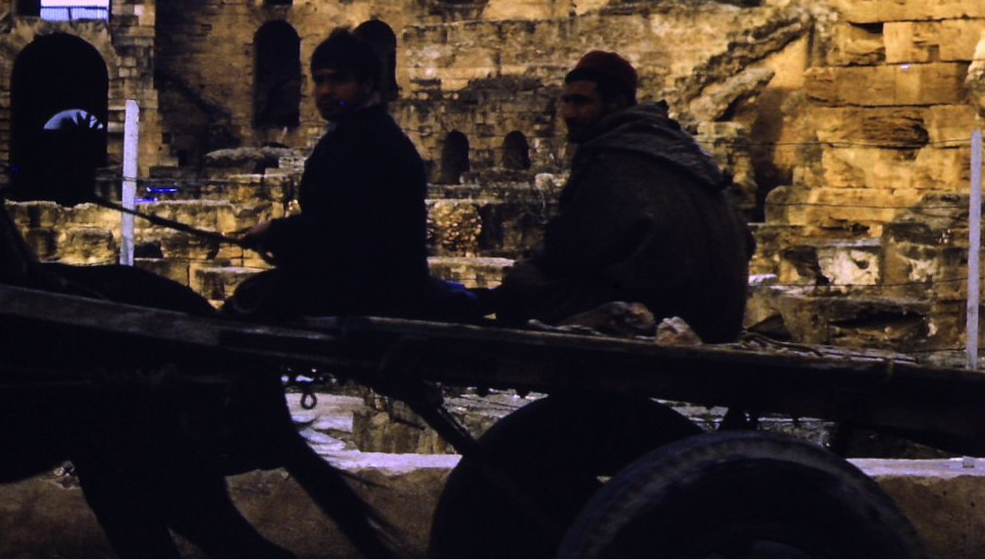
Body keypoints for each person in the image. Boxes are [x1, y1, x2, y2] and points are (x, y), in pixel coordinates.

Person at [482, 51, 754, 342]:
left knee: (522, 284)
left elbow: (566, 250)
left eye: (581, 102)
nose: (569, 114)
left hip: (668, 311)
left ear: (617, 104)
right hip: (722, 317)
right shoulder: (683, 147)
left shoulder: (611, 155)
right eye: (566, 101)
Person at [225, 28, 435, 320]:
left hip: (368, 291)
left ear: (367, 83)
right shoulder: (350, 136)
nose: (325, 91)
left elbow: (346, 228)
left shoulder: (372, 142)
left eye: (338, 79)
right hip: (353, 282)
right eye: (319, 80)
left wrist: (275, 231)